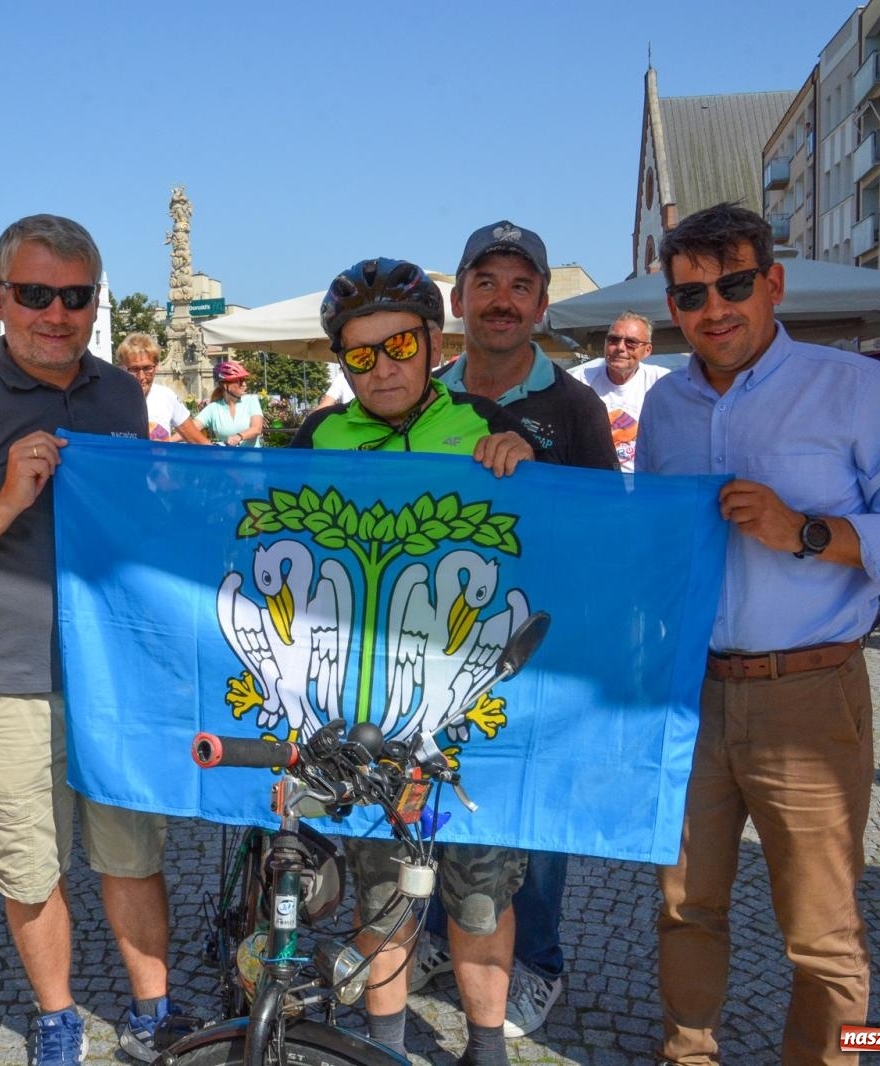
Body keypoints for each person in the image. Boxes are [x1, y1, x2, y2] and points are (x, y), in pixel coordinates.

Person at [637, 203, 880, 1066]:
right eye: (691, 294)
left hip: (810, 694)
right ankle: (688, 1053)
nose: (715, 308)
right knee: (683, 906)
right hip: (693, 691)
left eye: (734, 285)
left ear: (773, 283)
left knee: (822, 932)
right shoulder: (665, 408)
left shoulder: (857, 389)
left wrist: (810, 532)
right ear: (673, 305)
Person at [0, 214, 183, 1066]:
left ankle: (153, 1007)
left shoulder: (121, 396)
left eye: (76, 296)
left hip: (116, 674)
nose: (56, 313)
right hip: (14, 675)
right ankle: (58, 1017)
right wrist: (8, 500)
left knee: (132, 852)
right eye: (35, 294)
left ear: (97, 302)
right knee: (31, 862)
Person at [294, 258, 538, 1066]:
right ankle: (389, 1051)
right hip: (365, 714)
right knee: (383, 896)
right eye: (358, 354)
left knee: (477, 899)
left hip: (470, 715)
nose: (381, 366)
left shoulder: (487, 426)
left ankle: (486, 1050)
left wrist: (530, 475)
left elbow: (555, 552)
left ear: (436, 342)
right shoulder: (317, 437)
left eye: (398, 344)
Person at [429, 220, 618, 1039]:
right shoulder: (423, 391)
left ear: (541, 303)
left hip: (536, 648)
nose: (501, 300)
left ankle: (536, 961)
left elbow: (610, 525)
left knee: (534, 808)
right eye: (486, 282)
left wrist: (540, 485)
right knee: (443, 792)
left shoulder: (574, 404)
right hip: (435, 640)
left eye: (519, 285)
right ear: (460, 297)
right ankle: (455, 939)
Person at [566, 311, 668, 472]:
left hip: (646, 485)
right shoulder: (578, 381)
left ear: (647, 350)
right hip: (594, 482)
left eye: (631, 342)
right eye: (613, 340)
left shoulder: (662, 382)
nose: (620, 348)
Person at [114, 333, 207, 443]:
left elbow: (198, 441)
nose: (141, 377)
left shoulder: (166, 396)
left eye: (148, 368)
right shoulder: (110, 399)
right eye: (134, 369)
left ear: (157, 366)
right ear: (121, 367)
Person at [187, 360, 264, 446]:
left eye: (244, 380)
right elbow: (189, 429)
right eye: (240, 381)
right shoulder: (213, 408)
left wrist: (238, 437)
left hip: (252, 458)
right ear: (225, 385)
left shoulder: (251, 400)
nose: (244, 384)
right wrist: (169, 441)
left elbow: (257, 429)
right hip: (226, 458)